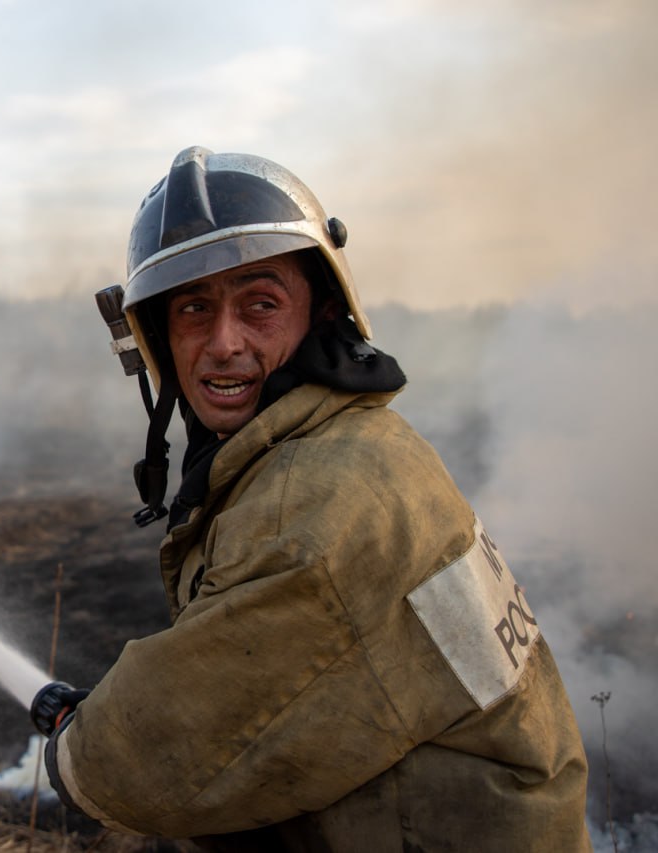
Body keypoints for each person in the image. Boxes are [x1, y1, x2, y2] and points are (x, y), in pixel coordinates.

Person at [29, 146, 590, 851]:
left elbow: (156, 757)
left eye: (260, 304)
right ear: (160, 338)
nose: (223, 342)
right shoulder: (354, 444)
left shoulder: (313, 505)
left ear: (321, 311)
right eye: (194, 309)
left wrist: (75, 751)